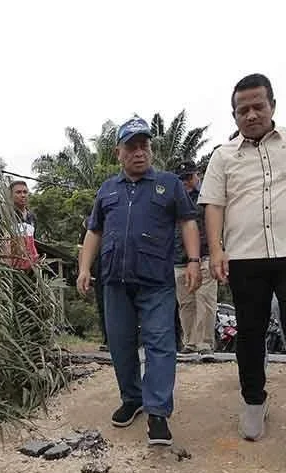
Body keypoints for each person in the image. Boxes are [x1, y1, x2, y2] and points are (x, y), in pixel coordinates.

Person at [200, 73, 286, 456]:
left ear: (272, 106)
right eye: (242, 110)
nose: (250, 115)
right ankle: (253, 400)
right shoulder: (223, 156)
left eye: (257, 106)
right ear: (234, 115)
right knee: (249, 331)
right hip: (245, 258)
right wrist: (216, 250)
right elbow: (213, 204)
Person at [77, 117, 202, 446]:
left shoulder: (169, 184)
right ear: (118, 152)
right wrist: (84, 268)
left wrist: (193, 261)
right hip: (114, 281)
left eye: (144, 145)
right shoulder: (108, 189)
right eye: (131, 146)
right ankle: (132, 398)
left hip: (155, 281)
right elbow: (94, 231)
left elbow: (188, 222)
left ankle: (158, 412)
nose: (139, 152)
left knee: (161, 344)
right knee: (120, 344)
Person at [173, 160, 217, 361]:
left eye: (187, 177)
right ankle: (190, 342)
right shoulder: (173, 198)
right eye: (181, 178)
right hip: (179, 258)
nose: (184, 182)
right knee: (186, 302)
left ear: (196, 176)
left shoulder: (206, 196)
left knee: (205, 300)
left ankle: (205, 343)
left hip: (205, 255)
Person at [78, 219, 108, 350]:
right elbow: (82, 249)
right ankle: (107, 339)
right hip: (99, 267)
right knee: (102, 303)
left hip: (121, 264)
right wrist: (83, 270)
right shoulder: (89, 221)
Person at [7, 180, 39, 270]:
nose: (23, 195)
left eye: (25, 192)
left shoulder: (32, 217)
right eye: (18, 192)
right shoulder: (6, 216)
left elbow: (33, 243)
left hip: (31, 269)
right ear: (11, 196)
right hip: (12, 269)